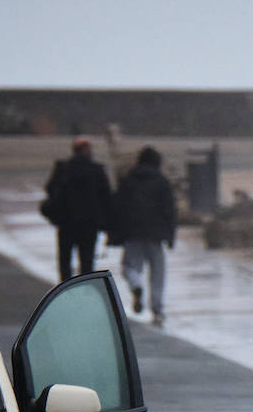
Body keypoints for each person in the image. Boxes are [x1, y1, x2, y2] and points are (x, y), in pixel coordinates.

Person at [112, 146, 176, 328]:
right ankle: (157, 309)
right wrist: (171, 235)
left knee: (130, 267)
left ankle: (136, 285)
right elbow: (170, 210)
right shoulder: (162, 182)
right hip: (156, 235)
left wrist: (116, 234)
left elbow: (118, 207)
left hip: (132, 233)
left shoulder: (128, 181)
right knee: (158, 273)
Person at [42, 138, 113, 282]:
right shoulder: (96, 170)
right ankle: (85, 287)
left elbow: (50, 188)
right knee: (87, 261)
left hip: (66, 222)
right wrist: (107, 223)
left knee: (65, 261)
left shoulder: (63, 168)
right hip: (89, 224)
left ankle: (64, 288)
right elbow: (106, 197)